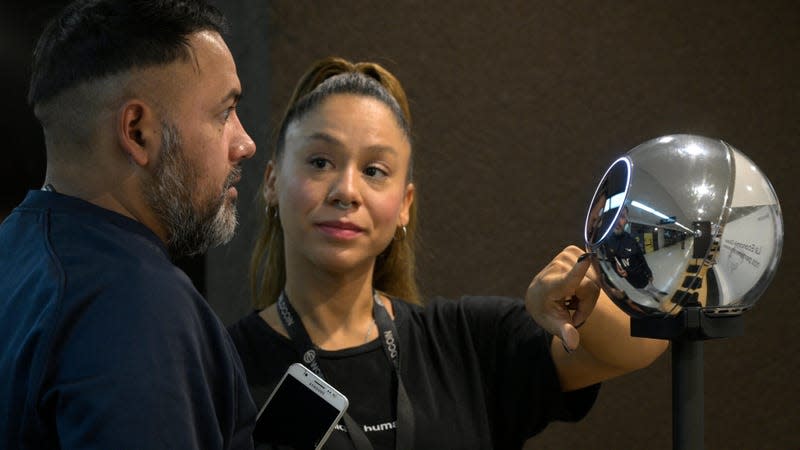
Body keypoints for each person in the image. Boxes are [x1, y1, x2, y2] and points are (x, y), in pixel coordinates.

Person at [227, 57, 668, 449]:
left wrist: (576, 306)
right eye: (320, 162)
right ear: (271, 182)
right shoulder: (222, 365)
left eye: (374, 170)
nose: (346, 191)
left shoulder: (470, 345)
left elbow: (640, 345)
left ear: (404, 204)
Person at [0, 1, 258, 448]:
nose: (244, 143)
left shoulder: (15, 257)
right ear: (138, 132)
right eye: (224, 113)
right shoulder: (136, 305)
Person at [604, 206, 668, 302]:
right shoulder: (607, 241)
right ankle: (653, 296)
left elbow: (641, 258)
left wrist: (649, 272)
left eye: (621, 216)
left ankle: (657, 292)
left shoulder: (631, 240)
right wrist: (618, 270)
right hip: (631, 280)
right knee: (643, 291)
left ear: (626, 221)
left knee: (650, 286)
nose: (617, 221)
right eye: (614, 216)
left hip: (642, 275)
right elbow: (612, 260)